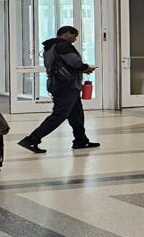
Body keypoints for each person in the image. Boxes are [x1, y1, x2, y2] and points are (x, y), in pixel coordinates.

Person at [18, 26, 99, 154]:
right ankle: (31, 140)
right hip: (66, 85)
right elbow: (74, 62)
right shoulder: (63, 46)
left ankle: (81, 140)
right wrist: (85, 67)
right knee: (59, 115)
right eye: (74, 36)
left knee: (76, 115)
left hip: (61, 84)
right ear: (66, 34)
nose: (75, 39)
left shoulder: (50, 46)